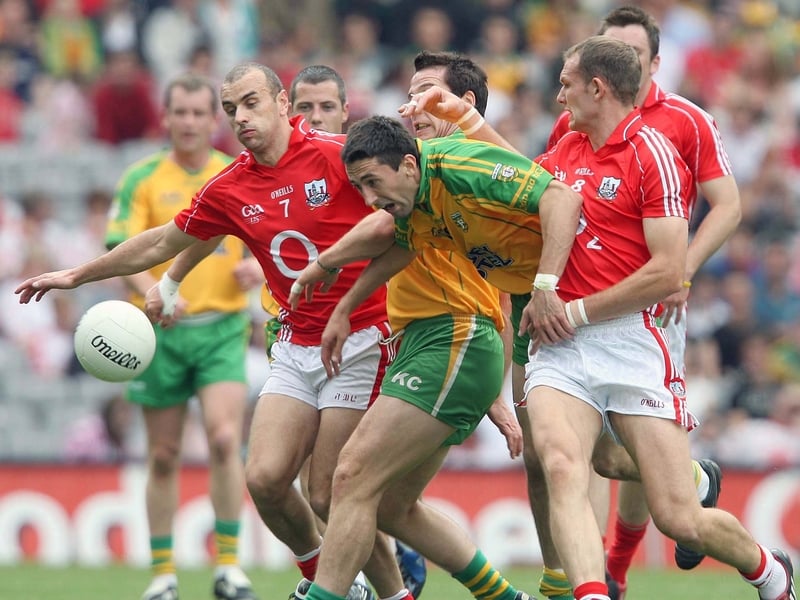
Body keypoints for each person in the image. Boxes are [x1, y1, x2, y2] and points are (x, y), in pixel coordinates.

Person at [16, 62, 411, 600]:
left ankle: (388, 595)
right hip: (296, 344)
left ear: (280, 102)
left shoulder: (335, 156)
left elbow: (395, 216)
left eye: (250, 103)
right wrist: (78, 274)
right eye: (231, 110)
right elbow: (162, 242)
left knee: (327, 494)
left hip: (361, 338)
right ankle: (334, 581)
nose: (240, 118)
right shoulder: (231, 185)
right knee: (265, 480)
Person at [522, 36, 794, 600]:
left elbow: (668, 274)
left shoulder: (654, 153)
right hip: (560, 348)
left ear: (597, 88)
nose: (559, 95)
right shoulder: (563, 147)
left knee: (680, 519)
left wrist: (569, 308)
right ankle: (593, 594)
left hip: (631, 341)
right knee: (563, 465)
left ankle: (770, 570)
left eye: (568, 84)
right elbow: (515, 191)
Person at [286, 104, 583, 600]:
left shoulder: (459, 165)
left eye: (373, 183)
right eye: (360, 188)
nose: (369, 199)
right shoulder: (415, 202)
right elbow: (403, 246)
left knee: (352, 473)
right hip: (444, 342)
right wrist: (346, 306)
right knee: (391, 506)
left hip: (459, 338)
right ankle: (506, 598)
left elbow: (560, 196)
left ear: (407, 164)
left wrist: (547, 284)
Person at [102, 72, 257, 600]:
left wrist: (256, 268)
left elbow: (269, 238)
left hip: (221, 328)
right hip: (156, 334)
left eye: (199, 113)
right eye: (181, 113)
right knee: (163, 454)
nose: (189, 122)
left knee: (222, 439)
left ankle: (229, 568)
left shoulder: (237, 173)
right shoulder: (141, 178)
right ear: (165, 117)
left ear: (215, 121)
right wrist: (155, 290)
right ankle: (163, 574)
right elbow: (123, 251)